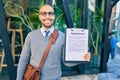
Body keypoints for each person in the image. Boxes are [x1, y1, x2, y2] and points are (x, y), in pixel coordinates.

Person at [16, 4, 90, 80]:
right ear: (39, 17)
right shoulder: (31, 36)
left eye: (50, 13)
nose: (47, 16)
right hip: (34, 78)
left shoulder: (63, 37)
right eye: (44, 14)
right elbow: (23, 60)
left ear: (54, 16)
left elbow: (66, 62)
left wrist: (82, 57)